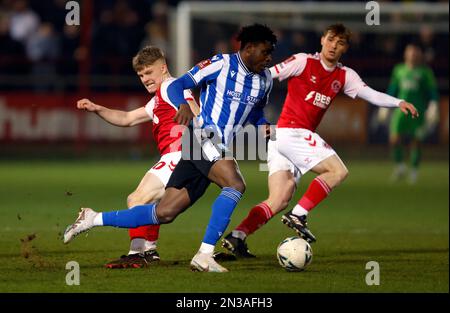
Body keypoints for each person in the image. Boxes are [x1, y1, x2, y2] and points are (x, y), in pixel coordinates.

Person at [63, 24, 277, 272]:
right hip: (204, 139)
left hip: (195, 147)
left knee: (165, 212)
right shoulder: (219, 65)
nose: (269, 57)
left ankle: (94, 219)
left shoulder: (265, 79)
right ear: (249, 48)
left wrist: (263, 126)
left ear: (162, 67)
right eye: (265, 51)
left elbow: (256, 110)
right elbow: (133, 116)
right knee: (235, 184)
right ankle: (202, 254)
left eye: (270, 52)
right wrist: (98, 109)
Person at [221, 23, 418, 258]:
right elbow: (268, 75)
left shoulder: (344, 75)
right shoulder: (303, 61)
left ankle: (237, 237)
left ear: (345, 48)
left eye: (341, 43)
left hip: (280, 138)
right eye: (331, 39)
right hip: (291, 132)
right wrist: (244, 97)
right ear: (322, 40)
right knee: (338, 171)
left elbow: (370, 94)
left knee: (279, 198)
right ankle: (299, 214)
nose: (334, 46)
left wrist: (398, 103)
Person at [76, 46, 199, 268]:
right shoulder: (158, 99)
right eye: (141, 75)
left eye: (149, 72)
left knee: (136, 199)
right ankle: (149, 251)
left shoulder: (173, 86)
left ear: (163, 68)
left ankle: (137, 252)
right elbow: (127, 118)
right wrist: (97, 108)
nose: (145, 79)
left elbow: (192, 108)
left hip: (180, 154)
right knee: (154, 205)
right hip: (182, 155)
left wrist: (197, 126)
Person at [378, 43, 439, 184]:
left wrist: (433, 104)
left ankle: (414, 171)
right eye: (409, 52)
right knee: (394, 139)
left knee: (415, 142)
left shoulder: (425, 72)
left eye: (415, 52)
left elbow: (431, 91)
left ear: (419, 55)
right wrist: (384, 106)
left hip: (418, 111)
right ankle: (400, 167)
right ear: (405, 54)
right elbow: (393, 89)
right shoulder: (399, 70)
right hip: (401, 112)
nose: (412, 54)